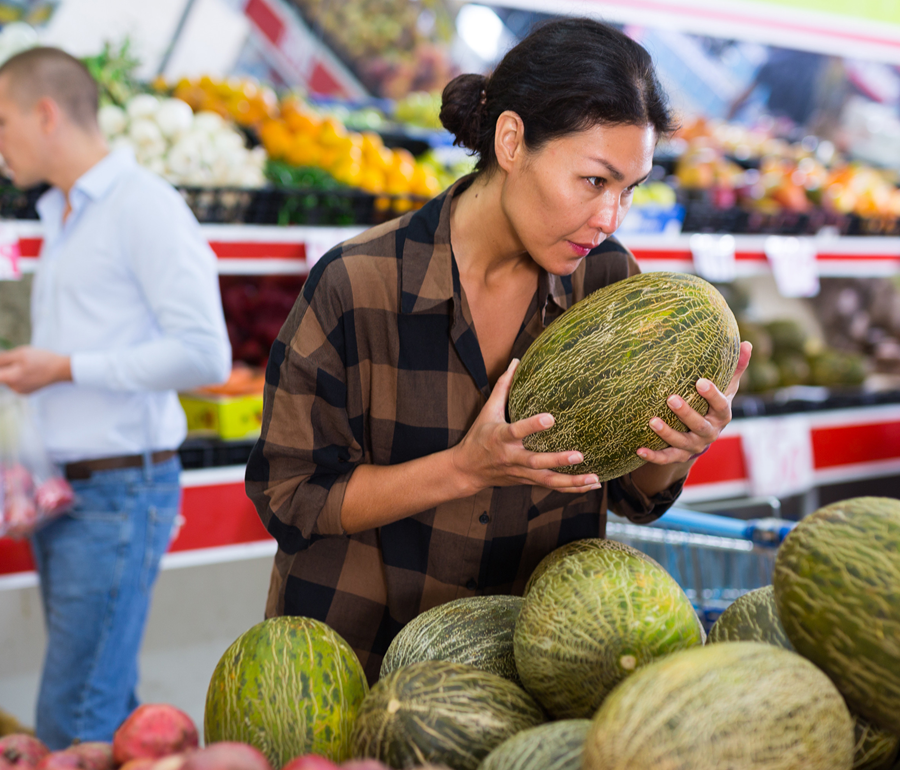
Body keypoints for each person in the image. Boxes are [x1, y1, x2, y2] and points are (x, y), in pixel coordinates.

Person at [247, 18, 752, 681]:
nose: (610, 218)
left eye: (629, 188)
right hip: (354, 671)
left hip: (522, 680)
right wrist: (464, 468)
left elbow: (630, 491)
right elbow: (290, 497)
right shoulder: (358, 283)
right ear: (511, 141)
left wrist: (676, 447)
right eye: (593, 181)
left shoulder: (609, 283)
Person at [0, 48, 231, 747]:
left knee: (73, 719)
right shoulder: (64, 214)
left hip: (118, 494)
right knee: (116, 716)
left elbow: (206, 355)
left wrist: (65, 368)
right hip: (70, 495)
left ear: (45, 113)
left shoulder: (144, 207)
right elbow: (71, 359)